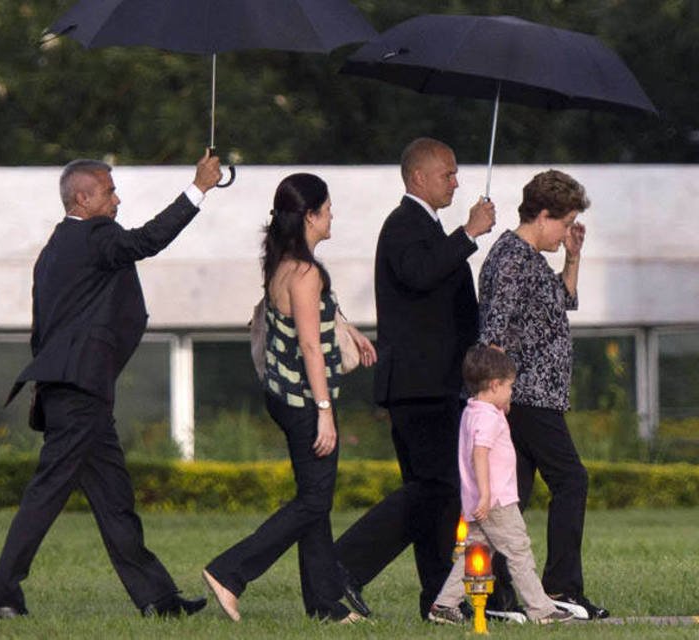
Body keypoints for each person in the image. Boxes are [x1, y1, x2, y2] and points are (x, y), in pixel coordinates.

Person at [0, 150, 222, 620]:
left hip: (73, 390)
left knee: (114, 501)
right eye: (109, 191)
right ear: (83, 197)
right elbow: (146, 241)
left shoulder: (55, 248)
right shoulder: (95, 235)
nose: (117, 199)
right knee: (46, 496)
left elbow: (43, 327)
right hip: (79, 393)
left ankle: (160, 600)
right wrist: (199, 189)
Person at [202, 173, 377, 623]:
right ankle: (229, 573)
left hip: (283, 395)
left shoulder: (284, 262)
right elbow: (311, 346)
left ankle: (325, 606)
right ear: (311, 215)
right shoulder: (304, 272)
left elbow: (316, 317)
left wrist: (349, 326)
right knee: (315, 501)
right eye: (328, 208)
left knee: (313, 498)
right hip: (304, 399)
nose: (333, 215)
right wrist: (324, 413)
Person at [334, 137, 496, 619]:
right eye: (448, 173)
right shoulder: (403, 225)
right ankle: (341, 565)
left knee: (440, 499)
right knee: (435, 488)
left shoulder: (428, 228)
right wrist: (468, 234)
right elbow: (418, 274)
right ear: (418, 177)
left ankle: (437, 600)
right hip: (418, 386)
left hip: (438, 383)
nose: (456, 181)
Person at [478, 169, 608, 620]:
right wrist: (494, 402)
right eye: (566, 222)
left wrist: (572, 257)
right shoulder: (513, 259)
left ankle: (496, 596)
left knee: (512, 497)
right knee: (572, 479)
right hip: (524, 397)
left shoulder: (531, 258)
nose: (568, 231)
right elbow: (493, 332)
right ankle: (561, 587)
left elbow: (563, 301)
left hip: (538, 396)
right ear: (544, 215)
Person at [428, 345, 573, 625]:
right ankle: (541, 610)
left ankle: (444, 605)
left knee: (474, 552)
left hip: (478, 502)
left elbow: (481, 440)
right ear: (494, 384)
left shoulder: (474, 411)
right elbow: (479, 454)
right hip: (495, 501)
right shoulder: (487, 418)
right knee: (518, 551)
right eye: (509, 386)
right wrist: (486, 495)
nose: (511, 393)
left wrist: (500, 406)